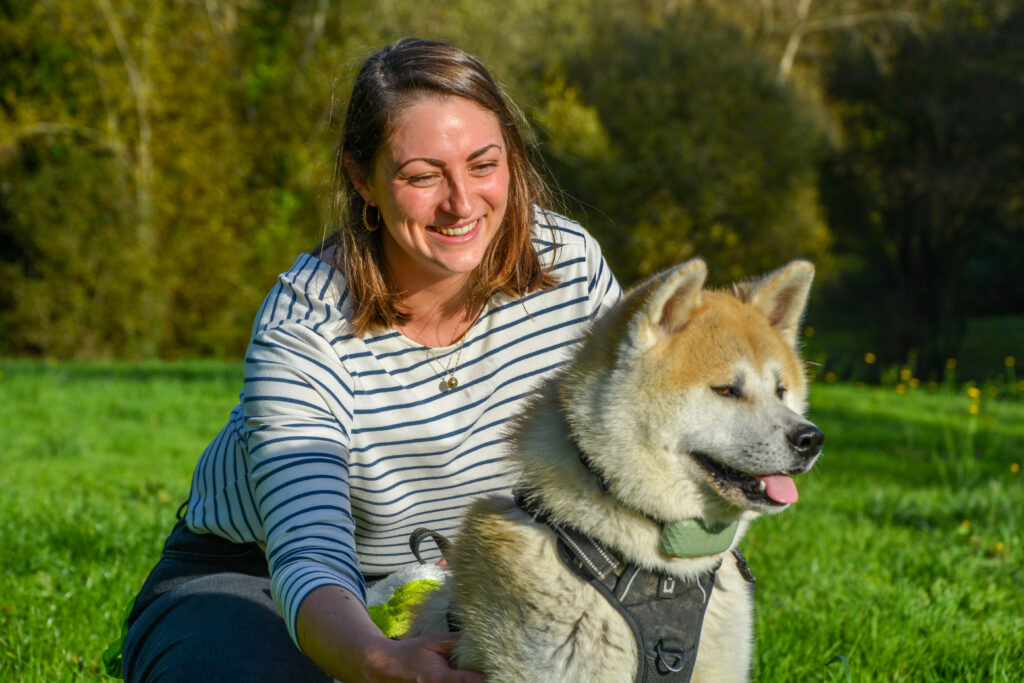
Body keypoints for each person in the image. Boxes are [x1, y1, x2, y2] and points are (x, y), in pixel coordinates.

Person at [120, 37, 621, 682]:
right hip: (257, 579)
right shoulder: (304, 325)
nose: (462, 204)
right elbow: (309, 556)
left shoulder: (571, 267)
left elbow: (624, 454)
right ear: (363, 178)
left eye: (483, 164)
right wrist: (383, 660)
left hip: (492, 570)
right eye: (422, 175)